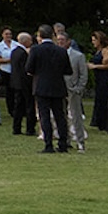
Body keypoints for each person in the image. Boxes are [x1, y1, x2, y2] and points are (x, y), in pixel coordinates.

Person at [27, 24, 71, 153]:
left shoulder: (36, 50)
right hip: (58, 86)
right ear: (53, 35)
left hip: (41, 86)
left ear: (39, 36)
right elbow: (68, 70)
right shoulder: (61, 51)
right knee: (60, 116)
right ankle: (63, 143)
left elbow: (29, 68)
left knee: (44, 116)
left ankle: (48, 144)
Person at [60, 25, 89, 152]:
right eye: (58, 40)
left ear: (68, 41)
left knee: (75, 116)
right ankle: (65, 139)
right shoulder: (55, 54)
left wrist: (79, 88)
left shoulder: (78, 56)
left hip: (73, 89)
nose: (60, 42)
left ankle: (80, 141)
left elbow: (83, 74)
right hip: (59, 89)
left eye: (62, 40)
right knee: (61, 116)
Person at [6, 32, 34, 136]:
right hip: (24, 83)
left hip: (16, 82)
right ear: (25, 41)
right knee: (29, 105)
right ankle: (30, 128)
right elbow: (25, 70)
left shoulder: (14, 52)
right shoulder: (23, 53)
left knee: (18, 105)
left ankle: (16, 127)